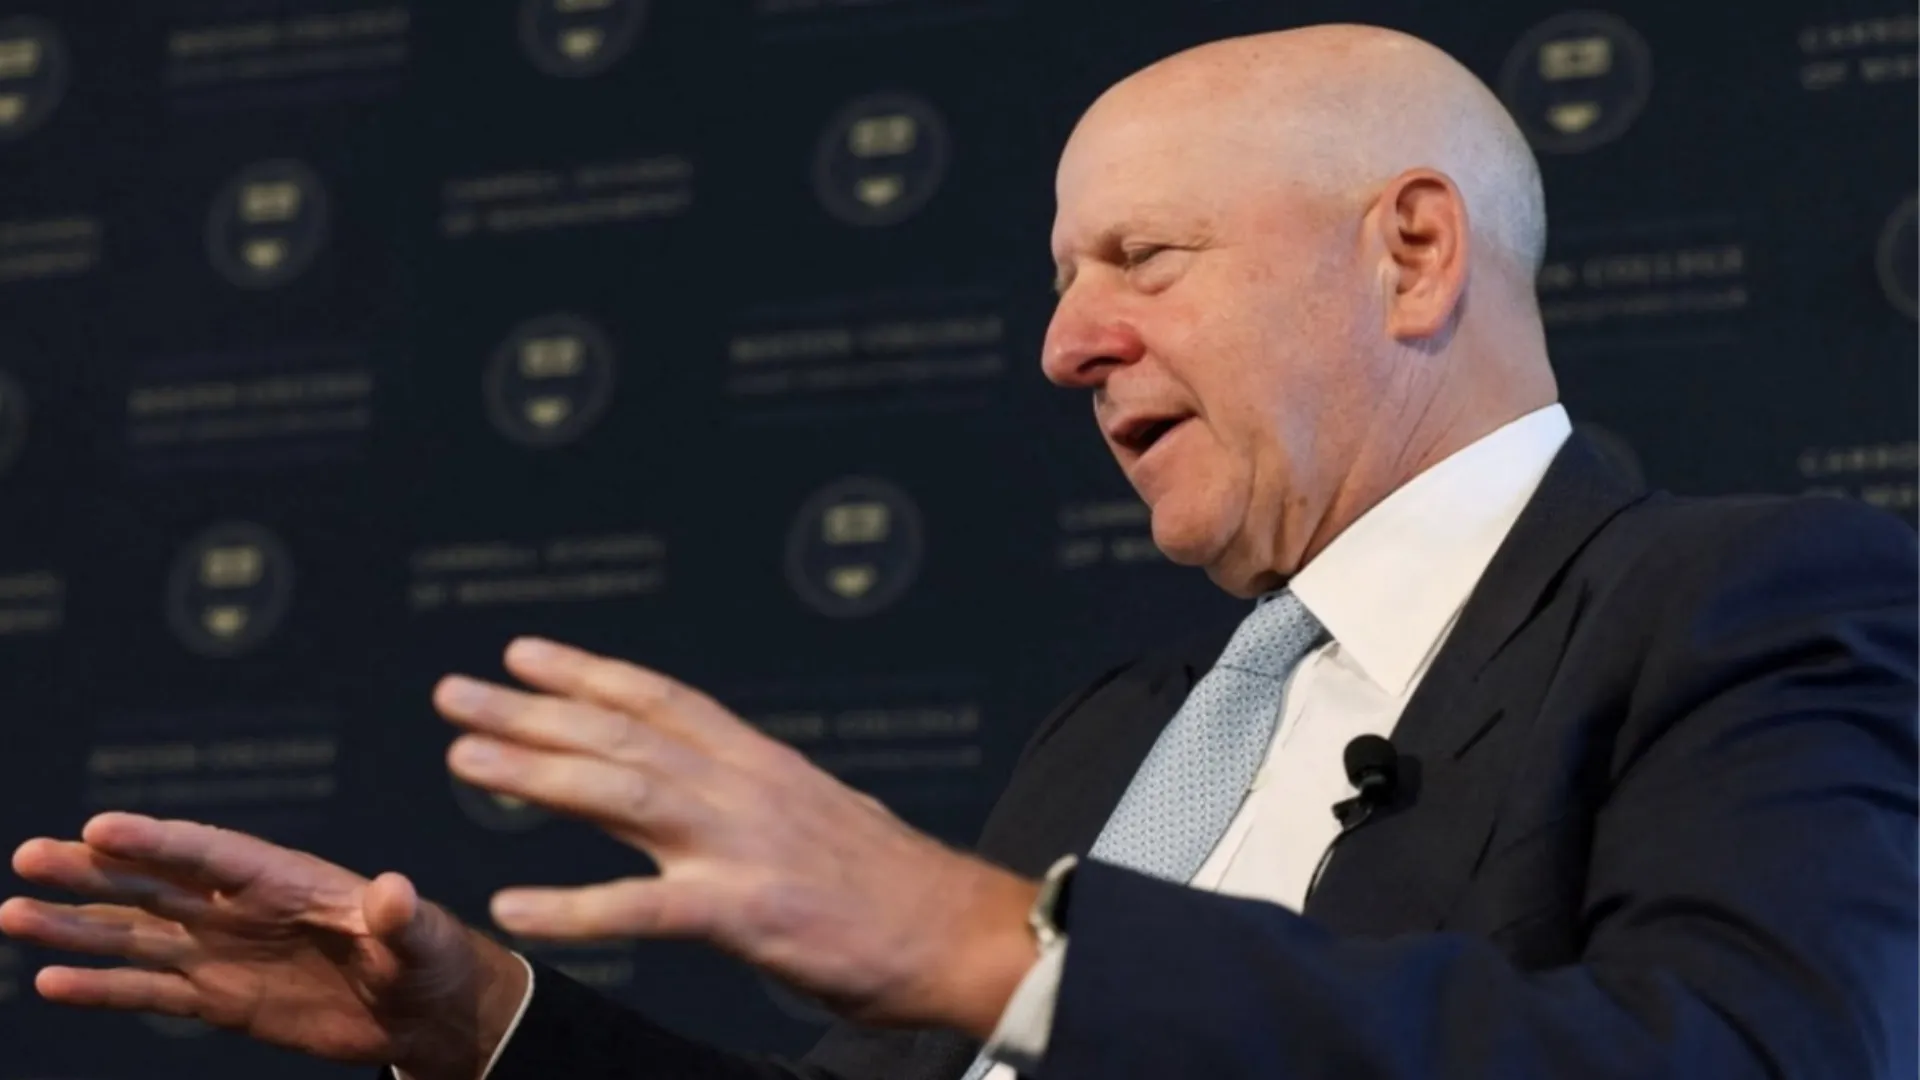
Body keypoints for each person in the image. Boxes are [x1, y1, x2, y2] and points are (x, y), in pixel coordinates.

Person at [5, 22, 1915, 1080]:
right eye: (1062, 278)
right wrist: (489, 1028)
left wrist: (979, 938)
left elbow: (1765, 1057)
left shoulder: (1741, 602)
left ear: (1412, 252)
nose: (1065, 345)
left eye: (1142, 260)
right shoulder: (1127, 733)